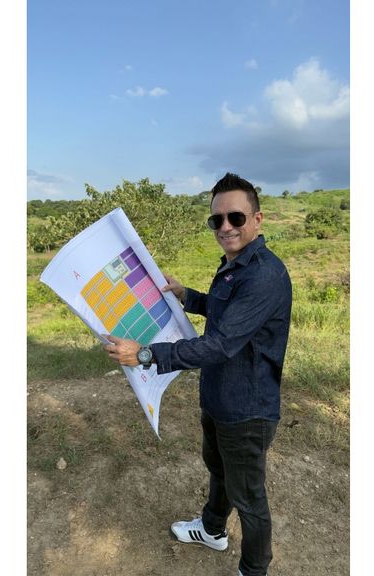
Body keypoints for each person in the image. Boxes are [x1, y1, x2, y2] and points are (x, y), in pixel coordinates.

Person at [104, 172, 292, 576]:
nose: (225, 227)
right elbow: (226, 313)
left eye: (235, 218)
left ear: (257, 220)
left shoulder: (264, 275)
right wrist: (186, 296)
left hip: (247, 409)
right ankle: (212, 530)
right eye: (216, 219)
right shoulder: (235, 266)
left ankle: (254, 570)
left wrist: (145, 354)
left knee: (249, 498)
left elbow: (219, 344)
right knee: (218, 469)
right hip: (220, 397)